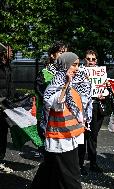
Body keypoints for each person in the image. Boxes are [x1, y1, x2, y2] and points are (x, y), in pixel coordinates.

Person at [31, 52, 85, 189]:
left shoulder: (75, 84)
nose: (77, 68)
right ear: (65, 65)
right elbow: (56, 104)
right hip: (60, 138)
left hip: (70, 135)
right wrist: (66, 85)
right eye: (74, 65)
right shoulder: (55, 85)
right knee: (71, 177)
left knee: (50, 172)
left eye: (78, 65)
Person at [34, 41, 68, 155]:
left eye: (66, 53)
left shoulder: (69, 72)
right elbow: (41, 93)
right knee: (49, 147)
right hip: (48, 115)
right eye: (61, 52)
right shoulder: (44, 73)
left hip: (64, 115)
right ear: (53, 56)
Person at [77, 49, 106, 175]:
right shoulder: (79, 72)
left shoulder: (101, 73)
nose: (91, 61)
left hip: (97, 108)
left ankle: (93, 163)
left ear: (96, 61)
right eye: (88, 59)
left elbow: (106, 90)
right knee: (82, 137)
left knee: (93, 137)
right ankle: (80, 164)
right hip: (83, 108)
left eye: (93, 59)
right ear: (84, 60)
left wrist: (104, 94)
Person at [0, 43, 14, 161]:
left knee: (3, 132)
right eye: (10, 51)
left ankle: (1, 158)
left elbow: (10, 86)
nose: (12, 53)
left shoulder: (8, 67)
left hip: (6, 106)